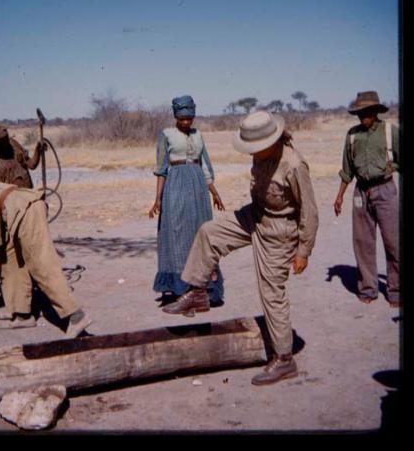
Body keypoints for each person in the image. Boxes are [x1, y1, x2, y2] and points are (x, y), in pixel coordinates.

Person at [162, 110, 319, 386]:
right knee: (209, 232)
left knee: (271, 293)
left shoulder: (294, 164)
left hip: (280, 230)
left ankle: (284, 359)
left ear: (274, 139)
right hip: (255, 215)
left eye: (257, 147)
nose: (253, 153)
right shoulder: (261, 156)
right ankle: (198, 292)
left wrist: (303, 251)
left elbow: (310, 211)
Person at [0, 164, 92, 337]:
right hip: (16, 215)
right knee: (9, 261)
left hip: (26, 211)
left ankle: (75, 315)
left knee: (41, 264)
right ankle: (22, 314)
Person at [148, 95, 225, 306]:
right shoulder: (166, 135)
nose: (186, 122)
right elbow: (161, 168)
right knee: (176, 235)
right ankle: (178, 288)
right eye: (182, 119)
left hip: (198, 188)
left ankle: (202, 288)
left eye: (190, 118)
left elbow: (205, 166)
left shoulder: (198, 134)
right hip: (175, 187)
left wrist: (214, 192)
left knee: (201, 234)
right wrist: (158, 199)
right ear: (175, 116)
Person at [333, 91, 400, 307]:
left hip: (385, 190)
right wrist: (340, 196)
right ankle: (368, 288)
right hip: (361, 192)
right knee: (362, 242)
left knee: (393, 242)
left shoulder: (390, 132)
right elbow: (347, 169)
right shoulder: (352, 135)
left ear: (376, 112)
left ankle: (395, 290)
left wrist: (393, 166)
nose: (362, 117)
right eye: (359, 113)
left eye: (366, 113)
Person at [0, 123, 46, 188]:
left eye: (6, 136)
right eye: (2, 140)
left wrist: (38, 149)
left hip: (29, 195)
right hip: (13, 198)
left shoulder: (13, 144)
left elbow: (32, 165)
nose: (6, 140)